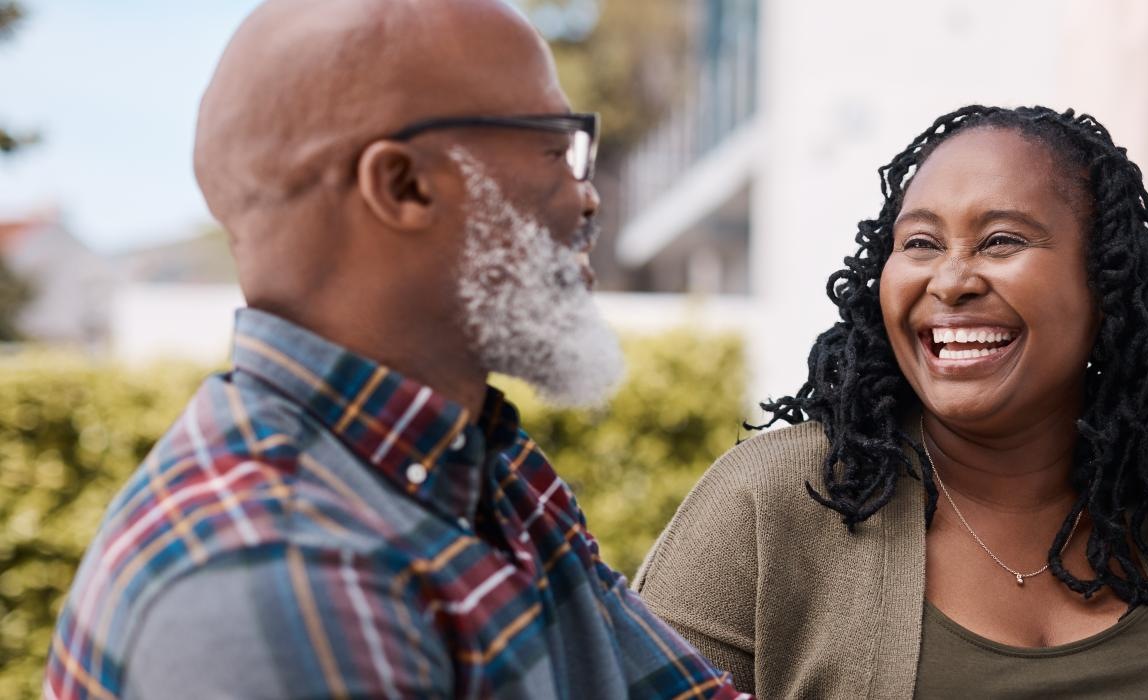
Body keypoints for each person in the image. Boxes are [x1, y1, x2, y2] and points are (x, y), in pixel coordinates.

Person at [43, 1, 743, 697]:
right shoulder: (287, 573)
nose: (586, 196)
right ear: (403, 185)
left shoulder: (481, 469)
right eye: (554, 149)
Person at [634, 105, 1148, 698]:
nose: (950, 280)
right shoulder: (770, 505)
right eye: (919, 243)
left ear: (1103, 284)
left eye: (1000, 240)